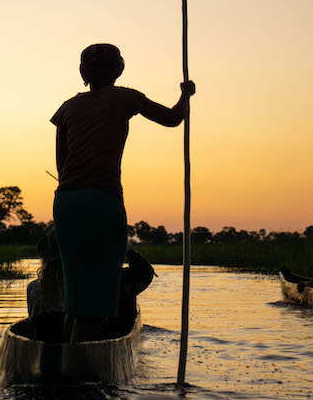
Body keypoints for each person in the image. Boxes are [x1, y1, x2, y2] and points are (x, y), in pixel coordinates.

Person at [50, 43, 195, 342]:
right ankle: (80, 374)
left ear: (82, 73)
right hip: (102, 201)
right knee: (101, 291)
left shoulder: (67, 108)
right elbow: (173, 118)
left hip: (66, 202)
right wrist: (186, 94)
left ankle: (63, 362)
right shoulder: (125, 97)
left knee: (76, 292)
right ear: (119, 70)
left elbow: (61, 166)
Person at [27, 228, 156, 342]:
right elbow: (144, 273)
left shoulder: (32, 288)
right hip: (87, 352)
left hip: (49, 354)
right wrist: (127, 250)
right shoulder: (101, 283)